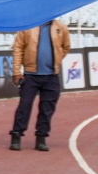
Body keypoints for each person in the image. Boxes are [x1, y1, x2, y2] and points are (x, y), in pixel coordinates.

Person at [8, 17, 69, 151]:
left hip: (51, 76)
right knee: (24, 106)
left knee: (47, 109)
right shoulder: (27, 25)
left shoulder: (61, 27)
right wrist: (17, 72)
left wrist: (56, 61)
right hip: (30, 75)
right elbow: (18, 48)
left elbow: (66, 47)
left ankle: (41, 138)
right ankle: (16, 135)